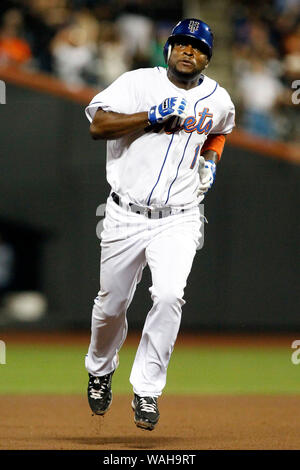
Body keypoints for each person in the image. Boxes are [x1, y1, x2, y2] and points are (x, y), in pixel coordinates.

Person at [84, 18, 235, 431]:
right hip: (124, 214)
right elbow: (98, 126)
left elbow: (219, 131)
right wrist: (149, 115)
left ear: (207, 57)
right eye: (182, 43)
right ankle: (100, 368)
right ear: (168, 49)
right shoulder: (137, 83)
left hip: (180, 216)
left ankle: (147, 389)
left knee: (169, 295)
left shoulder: (217, 98)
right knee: (110, 306)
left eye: (198, 47)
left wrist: (211, 160)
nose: (189, 51)